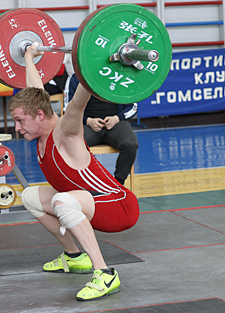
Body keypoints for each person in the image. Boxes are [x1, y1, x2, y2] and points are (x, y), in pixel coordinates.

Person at [8, 44, 140, 301]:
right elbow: (36, 91)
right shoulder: (40, 124)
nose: (16, 128)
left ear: (38, 115)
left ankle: (104, 273)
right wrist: (28, 56)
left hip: (118, 206)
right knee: (30, 197)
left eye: (20, 121)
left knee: (61, 200)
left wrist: (93, 65)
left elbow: (79, 101)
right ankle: (74, 257)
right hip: (89, 203)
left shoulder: (65, 133)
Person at [65, 73, 139, 186]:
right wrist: (88, 120)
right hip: (87, 125)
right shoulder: (76, 78)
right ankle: (88, 184)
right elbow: (67, 108)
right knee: (74, 146)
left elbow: (133, 107)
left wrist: (117, 118)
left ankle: (118, 184)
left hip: (115, 124)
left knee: (130, 144)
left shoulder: (122, 75)